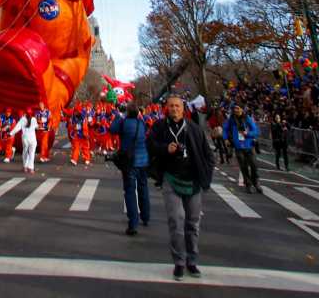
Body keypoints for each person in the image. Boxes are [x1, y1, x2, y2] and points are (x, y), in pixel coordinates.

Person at [147, 95, 214, 281]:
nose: (174, 109)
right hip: (171, 178)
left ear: (183, 108)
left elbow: (209, 156)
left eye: (177, 106)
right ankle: (179, 262)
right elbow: (150, 146)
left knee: (192, 223)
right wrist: (164, 149)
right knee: (176, 221)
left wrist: (205, 178)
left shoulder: (194, 129)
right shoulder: (159, 127)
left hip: (193, 181)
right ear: (166, 108)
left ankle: (192, 260)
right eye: (171, 106)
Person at [109, 103, 150, 235]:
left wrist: (118, 116)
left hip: (130, 162)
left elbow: (112, 130)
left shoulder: (123, 123)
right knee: (143, 188)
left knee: (130, 191)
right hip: (143, 161)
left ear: (126, 112)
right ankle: (146, 216)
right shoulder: (141, 123)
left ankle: (133, 223)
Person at [222, 105, 261, 194]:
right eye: (234, 108)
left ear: (242, 109)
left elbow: (256, 131)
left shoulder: (247, 118)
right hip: (238, 146)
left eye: (238, 108)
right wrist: (226, 139)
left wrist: (247, 133)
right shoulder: (231, 119)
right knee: (243, 167)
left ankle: (256, 182)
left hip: (249, 146)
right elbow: (225, 129)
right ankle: (248, 184)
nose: (236, 110)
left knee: (254, 165)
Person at [9, 108, 40, 174]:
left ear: (25, 113)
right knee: (32, 153)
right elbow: (37, 127)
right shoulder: (34, 119)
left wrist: (10, 133)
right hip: (33, 139)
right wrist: (43, 127)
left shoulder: (23, 119)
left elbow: (17, 128)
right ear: (31, 113)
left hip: (25, 138)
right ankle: (31, 168)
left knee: (25, 152)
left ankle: (25, 167)